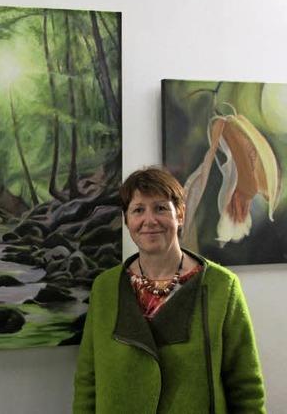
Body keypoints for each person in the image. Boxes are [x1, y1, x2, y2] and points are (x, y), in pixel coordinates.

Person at [73, 166, 265, 413]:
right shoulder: (105, 288)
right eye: (138, 210)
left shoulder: (221, 287)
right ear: (127, 219)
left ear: (181, 214)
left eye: (161, 208)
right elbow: (88, 381)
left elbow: (246, 387)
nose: (149, 220)